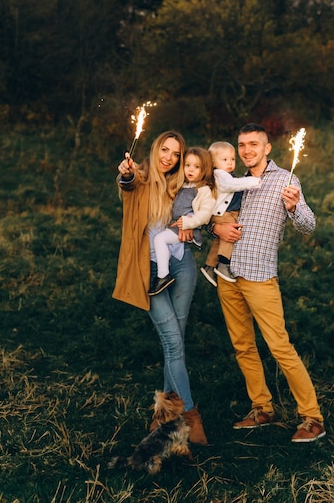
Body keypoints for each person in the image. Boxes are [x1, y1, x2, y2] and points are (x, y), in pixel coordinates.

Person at [212, 123, 326, 443]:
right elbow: (209, 212)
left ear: (267, 148)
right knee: (243, 346)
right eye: (242, 145)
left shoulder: (285, 179)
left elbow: (308, 224)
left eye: (253, 144)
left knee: (279, 347)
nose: (247, 150)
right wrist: (215, 230)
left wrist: (293, 206)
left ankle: (312, 417)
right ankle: (262, 407)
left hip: (260, 275)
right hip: (228, 274)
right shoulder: (229, 179)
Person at [112, 131, 208, 445]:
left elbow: (203, 214)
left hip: (182, 267)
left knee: (176, 340)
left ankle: (163, 416)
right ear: (154, 151)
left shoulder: (183, 185)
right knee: (172, 342)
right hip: (148, 273)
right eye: (164, 150)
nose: (169, 157)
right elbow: (126, 184)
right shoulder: (137, 180)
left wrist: (194, 233)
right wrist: (125, 174)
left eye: (175, 153)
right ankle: (190, 415)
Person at [149, 147, 216, 296]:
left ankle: (162, 276)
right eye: (187, 165)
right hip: (174, 225)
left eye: (197, 167)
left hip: (185, 226)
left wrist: (188, 223)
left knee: (159, 240)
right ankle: (164, 272)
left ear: (204, 170)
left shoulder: (204, 190)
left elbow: (205, 214)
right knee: (160, 240)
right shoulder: (182, 184)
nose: (190, 170)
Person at [200, 141, 261, 287]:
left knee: (221, 239)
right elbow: (231, 185)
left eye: (232, 159)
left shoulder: (224, 174)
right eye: (224, 159)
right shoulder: (220, 174)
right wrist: (254, 181)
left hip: (225, 212)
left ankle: (209, 267)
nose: (230, 163)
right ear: (213, 162)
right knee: (230, 235)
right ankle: (223, 264)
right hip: (225, 213)